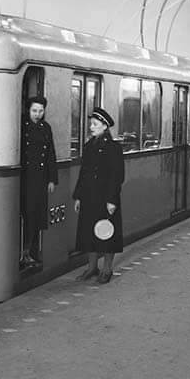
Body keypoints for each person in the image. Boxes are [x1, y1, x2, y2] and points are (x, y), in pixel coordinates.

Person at [73, 107, 124, 284]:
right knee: (89, 232)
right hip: (89, 196)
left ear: (104, 126)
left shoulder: (114, 148)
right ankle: (92, 267)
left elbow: (117, 176)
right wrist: (78, 196)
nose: (91, 127)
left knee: (107, 233)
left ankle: (107, 269)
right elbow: (83, 173)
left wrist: (112, 200)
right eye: (91, 124)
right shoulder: (89, 146)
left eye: (95, 124)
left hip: (105, 198)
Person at [20, 96, 58, 268]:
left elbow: (50, 153)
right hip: (25, 177)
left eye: (41, 111)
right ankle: (24, 252)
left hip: (40, 178)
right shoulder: (21, 127)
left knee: (37, 216)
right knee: (27, 214)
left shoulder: (45, 127)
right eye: (34, 110)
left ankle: (33, 251)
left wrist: (51, 179)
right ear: (28, 110)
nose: (38, 114)